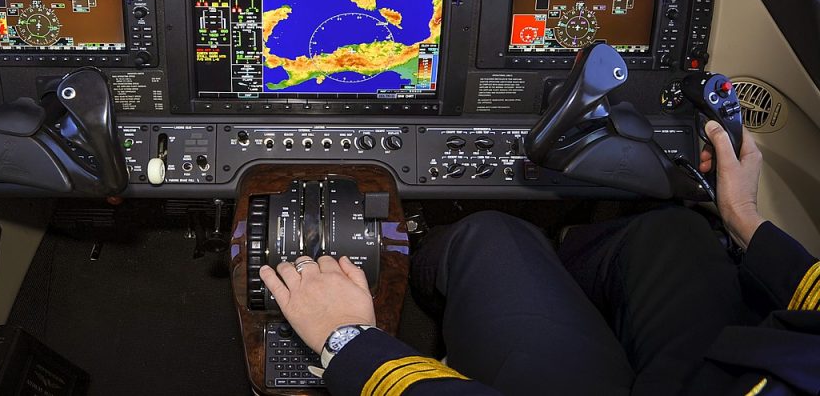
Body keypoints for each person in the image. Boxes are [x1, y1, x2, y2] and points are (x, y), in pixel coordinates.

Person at [259, 122, 820, 396]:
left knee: (493, 238)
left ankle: (474, 260)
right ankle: (555, 267)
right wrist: (745, 217)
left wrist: (350, 341)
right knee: (676, 230)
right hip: (744, 373)